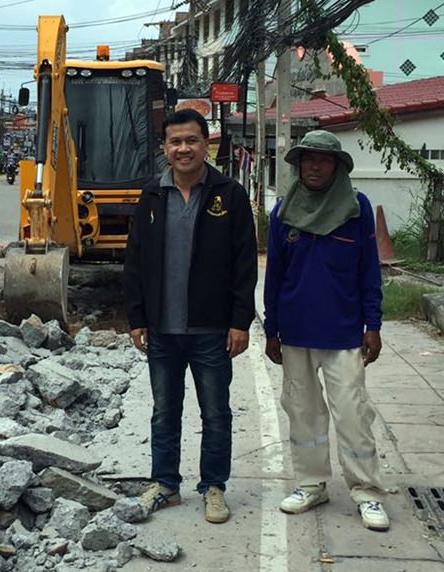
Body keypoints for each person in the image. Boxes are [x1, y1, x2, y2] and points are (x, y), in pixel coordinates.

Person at [124, 108, 257, 523]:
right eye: (175, 142)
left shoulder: (228, 194)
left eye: (192, 141)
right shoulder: (151, 195)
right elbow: (135, 262)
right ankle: (165, 484)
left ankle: (214, 486)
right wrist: (137, 318)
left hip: (211, 330)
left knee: (216, 411)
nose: (184, 149)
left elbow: (244, 264)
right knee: (165, 411)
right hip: (163, 329)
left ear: (206, 144)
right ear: (165, 147)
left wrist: (240, 321)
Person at [263, 130, 389, 531]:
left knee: (353, 413)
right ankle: (311, 483)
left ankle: (366, 492)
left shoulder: (357, 208)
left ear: (337, 166)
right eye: (307, 160)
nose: (314, 166)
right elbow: (276, 275)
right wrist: (271, 328)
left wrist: (373, 324)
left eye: (323, 159)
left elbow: (369, 269)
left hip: (344, 331)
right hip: (296, 331)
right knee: (302, 412)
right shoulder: (284, 211)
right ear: (298, 166)